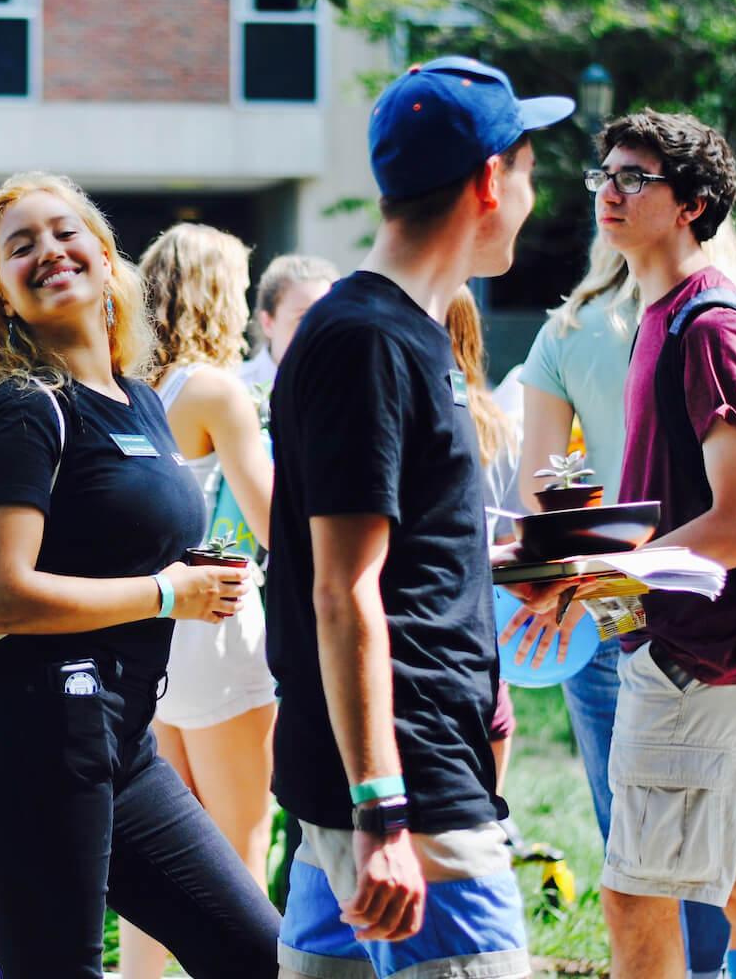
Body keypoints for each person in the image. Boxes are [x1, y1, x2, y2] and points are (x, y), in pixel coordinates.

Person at [0, 172, 280, 979]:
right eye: (21, 247)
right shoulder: (23, 407)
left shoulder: (141, 402)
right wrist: (165, 594)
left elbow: (113, 542)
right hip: (31, 741)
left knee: (259, 953)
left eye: (65, 232)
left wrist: (188, 575)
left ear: (107, 256)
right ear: (0, 294)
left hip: (122, 743)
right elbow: (3, 594)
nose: (50, 252)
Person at [265, 56, 574, 979]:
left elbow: (403, 560)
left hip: (381, 781)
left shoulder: (399, 332)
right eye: (526, 165)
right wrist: (383, 813)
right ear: (490, 179)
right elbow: (340, 588)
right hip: (408, 798)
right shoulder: (370, 340)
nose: (531, 190)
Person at [513, 224, 736, 979]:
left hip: (628, 607)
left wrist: (584, 579)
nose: (610, 194)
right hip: (694, 612)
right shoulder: (710, 310)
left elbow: (545, 494)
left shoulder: (573, 330)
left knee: (639, 861)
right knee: (707, 851)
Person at [580, 111, 736, 979]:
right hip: (690, 652)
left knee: (636, 893)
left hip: (695, 657)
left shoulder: (709, 325)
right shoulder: (657, 316)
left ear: (694, 204)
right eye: (604, 173)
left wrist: (608, 574)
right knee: (729, 884)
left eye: (635, 178)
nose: (610, 190)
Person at [118, 223, 277, 979]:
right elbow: (273, 518)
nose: (247, 308)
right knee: (242, 839)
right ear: (217, 294)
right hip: (217, 621)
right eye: (242, 290)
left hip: (148, 627)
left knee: (158, 864)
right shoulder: (218, 390)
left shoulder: (126, 384)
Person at [445, 285, 520, 794]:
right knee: (485, 806)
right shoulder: (498, 424)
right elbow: (516, 534)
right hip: (487, 636)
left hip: (426, 635)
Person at [240, 253, 339, 391]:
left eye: (327, 318)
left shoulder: (349, 387)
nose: (320, 330)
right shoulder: (235, 387)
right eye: (304, 318)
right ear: (268, 323)